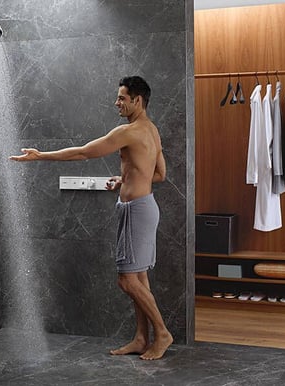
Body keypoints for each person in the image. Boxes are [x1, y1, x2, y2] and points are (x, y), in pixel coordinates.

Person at [9, 76, 173, 360]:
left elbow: (84, 153)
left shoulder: (128, 132)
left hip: (137, 212)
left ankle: (162, 334)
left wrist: (40, 156)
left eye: (122, 98)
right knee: (139, 277)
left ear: (137, 100)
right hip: (143, 207)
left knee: (127, 281)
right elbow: (159, 174)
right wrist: (124, 182)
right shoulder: (152, 131)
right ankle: (141, 337)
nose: (117, 102)